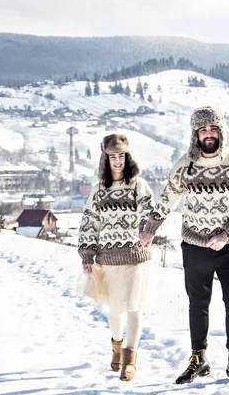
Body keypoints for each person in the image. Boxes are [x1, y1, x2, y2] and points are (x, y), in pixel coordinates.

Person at [140, 106, 229, 386]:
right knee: (197, 304)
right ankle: (198, 358)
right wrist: (149, 230)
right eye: (203, 130)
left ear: (220, 132)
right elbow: (167, 198)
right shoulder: (185, 165)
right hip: (194, 245)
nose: (208, 134)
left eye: (213, 129)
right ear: (195, 134)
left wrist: (227, 234)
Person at [78, 133, 154, 382]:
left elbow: (148, 211)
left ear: (127, 157)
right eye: (113, 156)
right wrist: (87, 253)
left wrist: (147, 229)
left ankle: (129, 361)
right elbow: (89, 221)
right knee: (115, 310)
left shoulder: (138, 185)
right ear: (106, 159)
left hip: (135, 257)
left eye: (121, 156)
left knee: (134, 307)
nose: (118, 161)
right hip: (108, 258)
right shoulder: (99, 191)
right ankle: (117, 347)